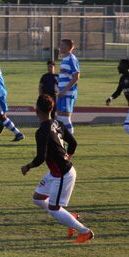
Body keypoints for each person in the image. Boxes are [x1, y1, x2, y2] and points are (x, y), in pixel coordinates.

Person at [21, 94, 94, 244]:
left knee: (54, 208)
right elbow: (73, 143)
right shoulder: (58, 123)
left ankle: (85, 232)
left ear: (36, 110)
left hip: (63, 174)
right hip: (56, 171)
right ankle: (69, 217)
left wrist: (27, 166)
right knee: (38, 198)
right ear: (51, 108)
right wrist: (68, 156)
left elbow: (41, 158)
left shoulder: (41, 131)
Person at [104, 59, 129, 144]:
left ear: (125, 67)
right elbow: (118, 91)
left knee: (127, 126)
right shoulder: (122, 79)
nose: (118, 67)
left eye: (120, 65)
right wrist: (111, 98)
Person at [56, 39, 81, 134]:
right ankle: (61, 141)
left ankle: (71, 142)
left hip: (68, 93)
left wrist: (65, 90)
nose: (60, 47)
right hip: (62, 92)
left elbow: (76, 76)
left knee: (65, 118)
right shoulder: (65, 59)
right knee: (59, 118)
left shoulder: (72, 59)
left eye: (62, 45)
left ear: (67, 47)